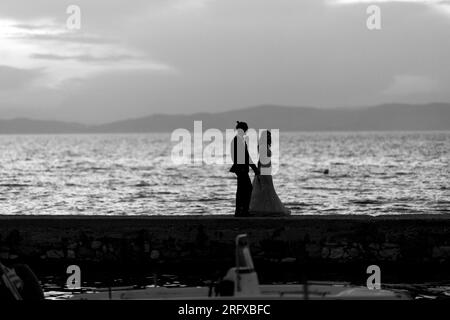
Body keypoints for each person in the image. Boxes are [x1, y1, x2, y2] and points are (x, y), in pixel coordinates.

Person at [249, 130, 290, 216]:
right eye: (267, 136)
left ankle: (266, 208)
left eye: (269, 136)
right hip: (263, 171)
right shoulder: (262, 147)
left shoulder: (265, 146)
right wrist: (258, 172)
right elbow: (260, 160)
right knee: (265, 190)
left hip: (267, 170)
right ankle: (264, 208)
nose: (269, 137)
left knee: (268, 190)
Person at [230, 121, 260, 217]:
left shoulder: (238, 140)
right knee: (246, 190)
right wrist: (254, 168)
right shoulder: (238, 140)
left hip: (240, 168)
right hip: (241, 169)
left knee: (242, 190)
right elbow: (246, 156)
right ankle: (242, 211)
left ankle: (240, 211)